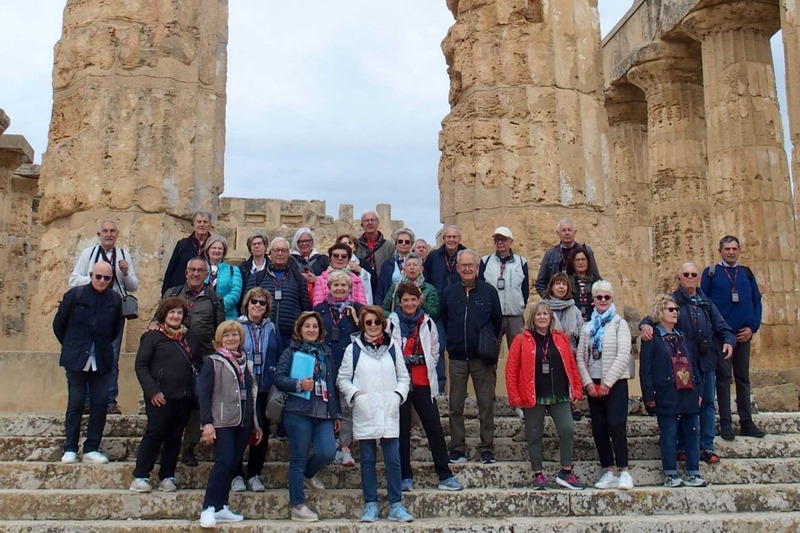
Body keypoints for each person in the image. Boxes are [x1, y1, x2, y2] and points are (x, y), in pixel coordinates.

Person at [640, 263, 735, 463]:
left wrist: (728, 341)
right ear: (679, 278)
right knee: (683, 405)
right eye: (686, 274)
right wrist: (644, 326)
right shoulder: (672, 301)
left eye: (693, 274)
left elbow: (722, 326)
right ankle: (682, 446)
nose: (690, 277)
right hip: (681, 364)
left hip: (706, 361)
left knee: (708, 403)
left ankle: (706, 447)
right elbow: (651, 318)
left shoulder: (706, 303)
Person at [337, 306, 414, 523]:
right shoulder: (353, 350)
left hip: (389, 409)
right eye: (368, 322)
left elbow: (403, 377)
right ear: (362, 324)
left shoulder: (393, 348)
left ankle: (396, 505)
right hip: (366, 409)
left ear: (382, 323)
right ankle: (370, 505)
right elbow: (343, 379)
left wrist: (397, 395)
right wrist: (357, 396)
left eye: (376, 322)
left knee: (393, 459)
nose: (372, 326)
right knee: (368, 460)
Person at [386, 282, 464, 493]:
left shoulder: (428, 323)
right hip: (401, 384)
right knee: (401, 431)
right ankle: (405, 476)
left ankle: (445, 475)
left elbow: (435, 350)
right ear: (399, 302)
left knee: (435, 430)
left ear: (419, 300)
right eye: (405, 300)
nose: (409, 303)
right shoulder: (391, 323)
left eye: (413, 299)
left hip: (422, 382)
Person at [506, 302, 585, 490]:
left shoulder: (561, 338)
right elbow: (511, 369)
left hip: (559, 394)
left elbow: (571, 366)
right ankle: (538, 474)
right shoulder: (520, 339)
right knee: (534, 434)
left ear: (551, 317)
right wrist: (514, 396)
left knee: (567, 429)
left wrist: (577, 388)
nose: (542, 317)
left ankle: (566, 471)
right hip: (533, 395)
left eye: (545, 314)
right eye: (538, 314)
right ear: (532, 318)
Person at [156, 257, 225, 467]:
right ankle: (164, 446)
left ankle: (188, 448)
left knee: (197, 404)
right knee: (169, 403)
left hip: (202, 358)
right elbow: (156, 320)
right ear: (186, 272)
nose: (196, 274)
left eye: (200, 271)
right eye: (192, 270)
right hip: (172, 357)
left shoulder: (214, 299)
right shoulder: (172, 294)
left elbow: (219, 328)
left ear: (206, 275)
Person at [54, 261, 123, 465]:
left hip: (101, 358)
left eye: (107, 278)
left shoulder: (115, 299)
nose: (102, 281)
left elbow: (115, 329)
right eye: (98, 277)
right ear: (91, 275)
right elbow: (59, 325)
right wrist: (72, 346)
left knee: (100, 404)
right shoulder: (75, 295)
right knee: (75, 402)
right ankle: (70, 448)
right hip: (77, 357)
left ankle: (92, 447)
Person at [274, 312, 340, 523]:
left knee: (328, 452)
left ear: (320, 331)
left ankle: (308, 474)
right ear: (300, 330)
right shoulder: (291, 352)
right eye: (307, 326)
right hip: (298, 411)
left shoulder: (326, 352)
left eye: (315, 326)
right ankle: (297, 505)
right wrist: (298, 385)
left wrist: (335, 412)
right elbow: (278, 378)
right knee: (298, 458)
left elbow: (332, 384)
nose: (311, 330)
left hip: (323, 412)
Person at [130, 297, 200, 493]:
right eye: (172, 312)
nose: (175, 316)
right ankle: (141, 475)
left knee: (175, 436)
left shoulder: (190, 338)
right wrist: (152, 390)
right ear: (164, 314)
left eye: (179, 313)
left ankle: (167, 475)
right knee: (155, 433)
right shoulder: (152, 337)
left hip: (184, 396)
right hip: (159, 396)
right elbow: (141, 365)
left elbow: (198, 364)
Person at [69, 219, 139, 415]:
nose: (109, 234)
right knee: (88, 353)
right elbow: (74, 279)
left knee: (111, 356)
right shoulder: (88, 254)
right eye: (105, 231)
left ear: (117, 234)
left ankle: (109, 400)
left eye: (112, 231)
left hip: (113, 310)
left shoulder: (124, 255)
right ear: (99, 234)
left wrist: (125, 272)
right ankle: (88, 401)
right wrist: (95, 279)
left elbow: (133, 285)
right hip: (90, 310)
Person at [197, 320, 262, 528]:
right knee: (223, 463)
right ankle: (208, 507)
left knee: (232, 463)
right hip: (222, 420)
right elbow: (204, 394)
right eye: (227, 335)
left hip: (243, 421)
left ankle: (222, 506)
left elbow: (251, 395)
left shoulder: (246, 362)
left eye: (234, 335)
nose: (231, 339)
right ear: (220, 339)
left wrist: (256, 424)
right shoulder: (214, 362)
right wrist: (206, 423)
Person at [440, 249, 502, 464]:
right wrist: (451, 343)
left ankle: (487, 447)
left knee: (486, 404)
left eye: (471, 265)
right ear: (457, 268)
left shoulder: (489, 292)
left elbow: (497, 322)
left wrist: (490, 347)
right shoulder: (448, 293)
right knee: (455, 405)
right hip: (457, 358)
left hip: (482, 359)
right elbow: (445, 319)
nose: (467, 269)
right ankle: (458, 447)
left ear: (477, 268)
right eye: (463, 265)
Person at [701, 236, 766, 440]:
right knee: (723, 378)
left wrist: (752, 328)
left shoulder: (746, 273)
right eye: (727, 249)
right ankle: (726, 422)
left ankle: (746, 421)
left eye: (734, 248)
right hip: (721, 336)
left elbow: (756, 302)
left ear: (739, 251)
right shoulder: (711, 273)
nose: (731, 252)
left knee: (743, 378)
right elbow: (704, 303)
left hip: (743, 335)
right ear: (720, 251)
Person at [640, 294, 707, 488]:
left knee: (692, 432)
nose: (675, 312)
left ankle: (693, 472)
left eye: (676, 309)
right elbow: (646, 368)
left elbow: (693, 364)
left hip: (688, 391)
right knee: (669, 433)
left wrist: (699, 390)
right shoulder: (652, 337)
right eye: (671, 309)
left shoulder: (682, 336)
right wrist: (649, 396)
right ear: (661, 312)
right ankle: (670, 473)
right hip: (666, 392)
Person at [575, 280, 634, 490]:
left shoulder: (620, 324)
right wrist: (588, 382)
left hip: (615, 382)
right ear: (593, 301)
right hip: (594, 383)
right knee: (599, 427)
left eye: (606, 297)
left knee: (616, 425)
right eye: (598, 297)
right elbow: (580, 357)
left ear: (611, 299)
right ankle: (609, 470)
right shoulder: (588, 327)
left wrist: (608, 382)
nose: (602, 300)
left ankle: (624, 470)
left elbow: (623, 354)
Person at [313, 270, 363, 467]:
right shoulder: (319, 310)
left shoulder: (357, 309)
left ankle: (345, 447)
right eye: (336, 285)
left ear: (349, 288)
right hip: (325, 364)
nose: (340, 288)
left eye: (344, 285)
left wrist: (356, 319)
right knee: (326, 407)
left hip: (349, 365)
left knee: (346, 407)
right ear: (329, 287)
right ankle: (330, 444)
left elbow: (367, 332)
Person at [230, 288, 279, 493]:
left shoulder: (271, 328)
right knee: (240, 429)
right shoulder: (237, 326)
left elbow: (277, 354)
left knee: (263, 431)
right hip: (243, 385)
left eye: (262, 303)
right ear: (247, 304)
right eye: (254, 302)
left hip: (264, 386)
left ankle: (254, 474)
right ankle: (236, 474)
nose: (258, 306)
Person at [246, 237, 312, 352]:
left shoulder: (298, 279)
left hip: (290, 336)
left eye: (283, 250)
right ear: (270, 253)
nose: (280, 254)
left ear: (289, 253)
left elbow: (305, 307)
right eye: (276, 250)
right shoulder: (257, 277)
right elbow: (247, 304)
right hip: (262, 334)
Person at [424, 224, 466, 393]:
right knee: (439, 347)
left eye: (454, 237)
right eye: (448, 237)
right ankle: (440, 387)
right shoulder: (433, 257)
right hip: (439, 311)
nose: (451, 240)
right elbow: (426, 279)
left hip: (460, 309)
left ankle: (460, 389)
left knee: (460, 349)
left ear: (459, 239)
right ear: (443, 238)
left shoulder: (466, 255)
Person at [541, 272, 585, 421]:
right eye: (557, 284)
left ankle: (576, 406)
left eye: (564, 284)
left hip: (570, 351)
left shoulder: (575, 310)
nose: (561, 287)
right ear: (551, 287)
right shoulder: (543, 308)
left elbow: (581, 334)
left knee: (574, 374)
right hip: (548, 351)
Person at [479, 226, 529, 350]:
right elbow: (481, 287)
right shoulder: (486, 261)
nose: (500, 242)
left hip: (515, 316)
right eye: (497, 240)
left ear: (511, 241)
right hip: (493, 316)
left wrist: (521, 305)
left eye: (503, 239)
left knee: (518, 352)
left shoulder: (521, 262)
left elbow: (525, 289)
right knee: (489, 352)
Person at [535, 218, 600, 298]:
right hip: (558, 302)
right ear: (558, 233)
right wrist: (549, 299)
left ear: (575, 232)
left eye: (569, 230)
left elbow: (596, 278)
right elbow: (540, 283)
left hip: (582, 300)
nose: (567, 233)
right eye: (563, 230)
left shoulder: (586, 251)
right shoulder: (550, 254)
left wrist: (595, 299)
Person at [162, 211, 212, 295]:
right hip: (180, 291)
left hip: (205, 293)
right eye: (199, 222)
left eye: (205, 222)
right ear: (193, 224)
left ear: (210, 224)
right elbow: (171, 269)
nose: (202, 224)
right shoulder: (182, 244)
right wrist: (165, 293)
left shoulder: (214, 246)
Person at [382, 253, 439, 320]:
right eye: (408, 265)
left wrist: (422, 302)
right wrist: (396, 318)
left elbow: (435, 314)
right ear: (404, 269)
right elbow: (383, 310)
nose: (412, 268)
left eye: (415, 265)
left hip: (421, 327)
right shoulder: (396, 287)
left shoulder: (429, 289)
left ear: (421, 269)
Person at [356, 210, 396, 297]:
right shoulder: (356, 246)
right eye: (366, 220)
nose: (370, 223)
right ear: (362, 224)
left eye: (373, 220)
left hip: (382, 289)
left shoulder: (389, 247)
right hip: (361, 288)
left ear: (378, 223)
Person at [204, 234, 242, 320]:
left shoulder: (233, 270)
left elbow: (235, 293)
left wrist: (218, 307)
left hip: (227, 317)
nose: (216, 251)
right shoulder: (200, 269)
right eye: (213, 248)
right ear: (208, 250)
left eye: (220, 248)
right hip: (204, 317)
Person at [377, 228, 416, 304]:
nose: (403, 243)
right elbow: (380, 288)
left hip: (411, 303)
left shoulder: (417, 263)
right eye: (400, 241)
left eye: (407, 242)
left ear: (411, 245)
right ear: (396, 244)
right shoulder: (387, 264)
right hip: (391, 304)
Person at [291, 227, 330, 303]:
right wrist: (299, 277)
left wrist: (317, 280)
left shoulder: (322, 260)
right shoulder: (290, 260)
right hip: (296, 301)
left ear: (312, 241)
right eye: (300, 241)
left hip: (319, 301)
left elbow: (331, 279)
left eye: (307, 241)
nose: (304, 244)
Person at [566, 245, 601, 322]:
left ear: (588, 262)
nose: (580, 262)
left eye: (583, 259)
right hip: (573, 322)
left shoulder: (597, 282)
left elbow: (607, 300)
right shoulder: (567, 281)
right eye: (577, 260)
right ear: (572, 263)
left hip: (593, 321)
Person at [337, 233, 373, 304]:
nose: (347, 245)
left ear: (355, 247)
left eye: (350, 243)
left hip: (359, 300)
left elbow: (373, 281)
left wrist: (360, 270)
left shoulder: (363, 263)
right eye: (344, 243)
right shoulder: (335, 262)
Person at [237, 233, 269, 306]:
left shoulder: (272, 268)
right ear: (250, 248)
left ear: (265, 246)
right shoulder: (242, 268)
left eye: (260, 243)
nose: (257, 246)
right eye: (253, 244)